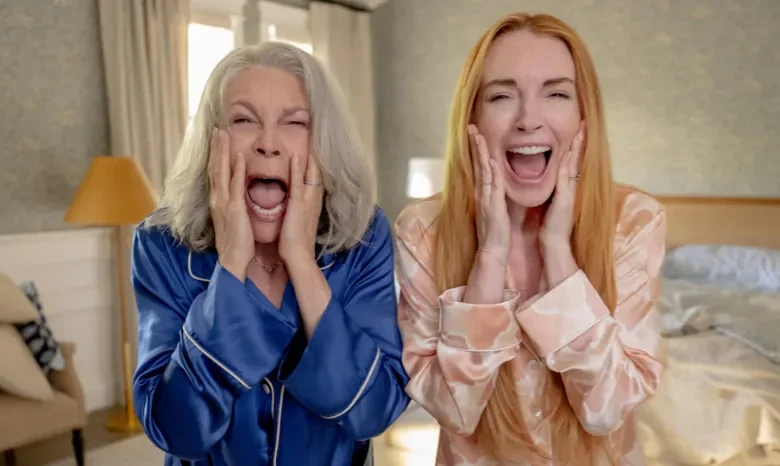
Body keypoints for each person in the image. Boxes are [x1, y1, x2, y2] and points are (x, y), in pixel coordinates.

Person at [394, 12, 666, 466]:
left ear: (584, 116)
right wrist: (490, 257)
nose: (528, 120)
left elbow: (608, 411)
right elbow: (454, 411)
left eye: (556, 93)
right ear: (472, 118)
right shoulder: (422, 230)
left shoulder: (634, 221)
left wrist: (558, 253)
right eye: (502, 96)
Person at [130, 42, 409, 466]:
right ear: (212, 140)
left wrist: (301, 261)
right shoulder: (160, 243)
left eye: (295, 122)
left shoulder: (365, 236)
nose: (268, 143)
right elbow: (175, 430)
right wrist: (232, 262)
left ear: (322, 143)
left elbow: (374, 411)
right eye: (244, 120)